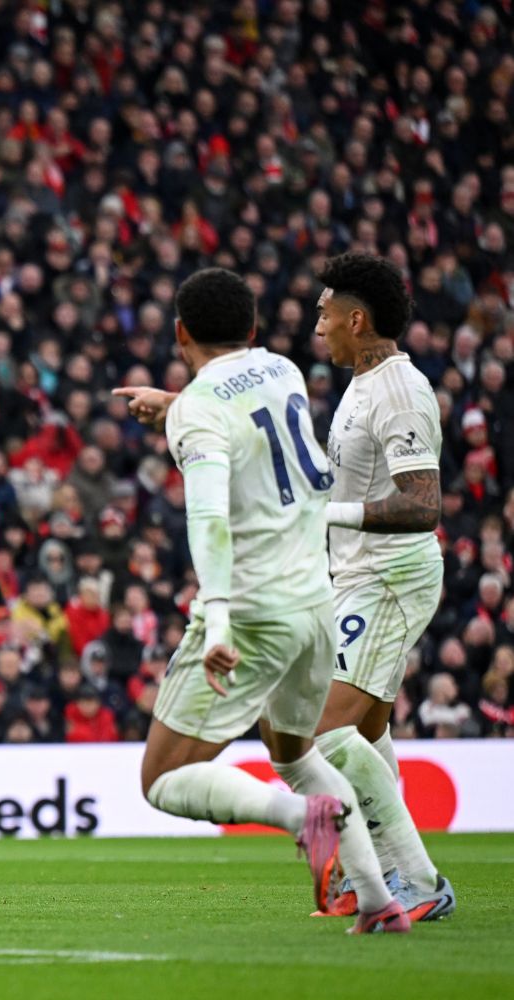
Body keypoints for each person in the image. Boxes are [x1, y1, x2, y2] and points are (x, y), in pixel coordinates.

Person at [115, 268, 409, 934]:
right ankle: (377, 900)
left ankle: (293, 818)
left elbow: (209, 519)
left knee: (163, 780)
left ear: (180, 332)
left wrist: (217, 619)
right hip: (315, 605)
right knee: (298, 755)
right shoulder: (281, 371)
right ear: (252, 329)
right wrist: (177, 405)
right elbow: (246, 424)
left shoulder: (200, 409)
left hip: (251, 612)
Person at [309, 252, 455, 921]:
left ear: (357, 320)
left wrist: (326, 514)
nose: (318, 327)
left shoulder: (397, 390)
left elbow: (423, 504)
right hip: (358, 574)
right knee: (366, 734)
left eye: (325, 314)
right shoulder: (362, 386)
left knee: (317, 729)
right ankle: (381, 872)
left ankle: (418, 881)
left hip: (391, 579)